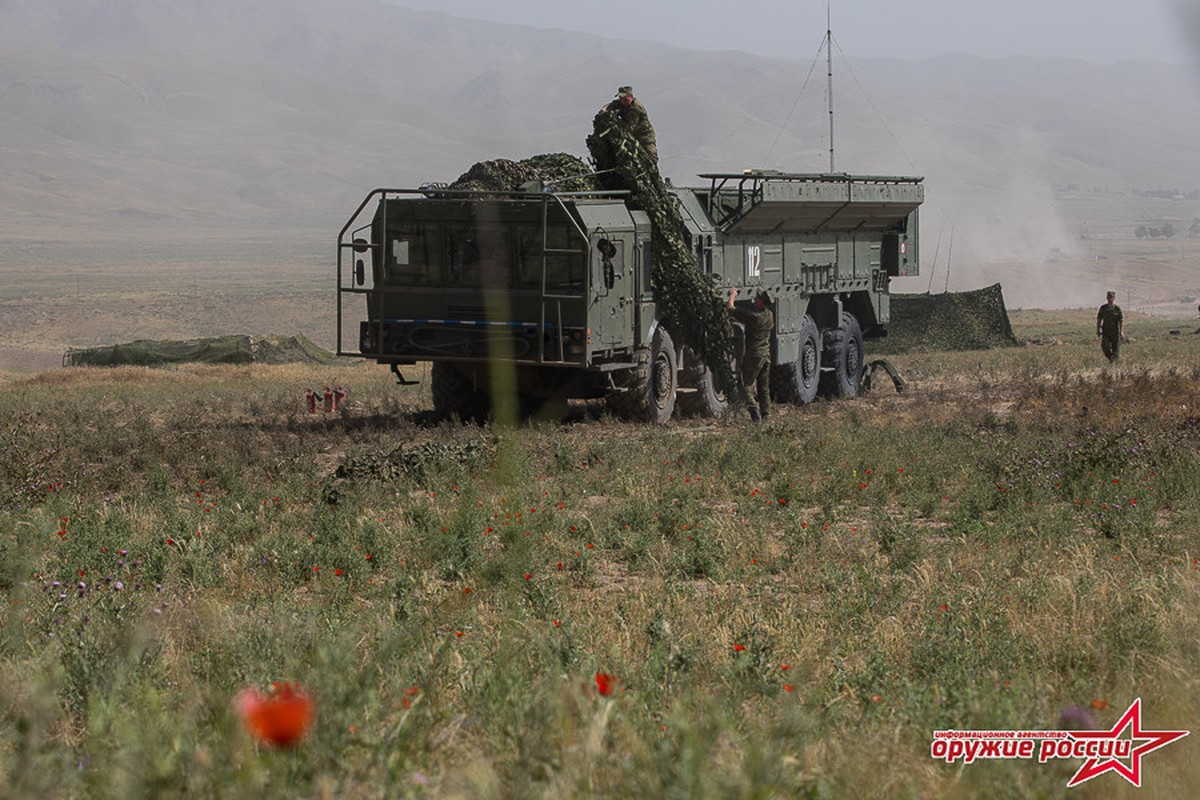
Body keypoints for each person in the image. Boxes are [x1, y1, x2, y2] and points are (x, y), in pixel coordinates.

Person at [728, 287, 774, 422]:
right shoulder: (769, 315)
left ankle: (754, 414)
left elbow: (730, 309)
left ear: (760, 302)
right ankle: (766, 414)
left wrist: (732, 295)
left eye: (757, 298)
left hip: (754, 355)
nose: (755, 299)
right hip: (766, 355)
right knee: (763, 387)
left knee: (745, 385)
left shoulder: (754, 317)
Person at [602, 86, 658, 162]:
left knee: (651, 158)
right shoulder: (622, 103)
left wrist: (615, 119)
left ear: (631, 97)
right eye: (620, 98)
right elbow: (612, 105)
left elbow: (629, 128)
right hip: (632, 136)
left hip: (644, 136)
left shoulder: (635, 108)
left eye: (625, 99)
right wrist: (605, 109)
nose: (622, 101)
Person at [1096, 290, 1125, 363]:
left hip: (1115, 332)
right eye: (1109, 297)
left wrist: (1121, 332)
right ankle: (1110, 358)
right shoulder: (1103, 308)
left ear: (1114, 298)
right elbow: (1099, 319)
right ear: (1107, 298)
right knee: (1104, 346)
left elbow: (1121, 320)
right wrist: (1098, 330)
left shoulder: (1117, 309)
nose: (1110, 299)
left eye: (1111, 297)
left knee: (1116, 349)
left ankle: (1114, 364)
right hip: (1106, 331)